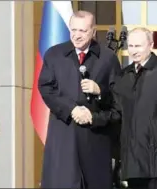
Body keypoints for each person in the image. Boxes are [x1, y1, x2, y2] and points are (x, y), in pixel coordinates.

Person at [38, 10, 121, 189]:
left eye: (82, 31)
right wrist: (71, 109)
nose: (76, 35)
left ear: (93, 31)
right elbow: (46, 88)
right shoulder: (55, 54)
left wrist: (100, 91)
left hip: (95, 140)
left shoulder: (108, 58)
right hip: (64, 136)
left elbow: (119, 99)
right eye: (73, 30)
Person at [112, 27, 157, 189]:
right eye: (130, 46)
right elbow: (117, 113)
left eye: (138, 46)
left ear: (150, 45)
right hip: (132, 157)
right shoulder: (123, 76)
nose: (134, 51)